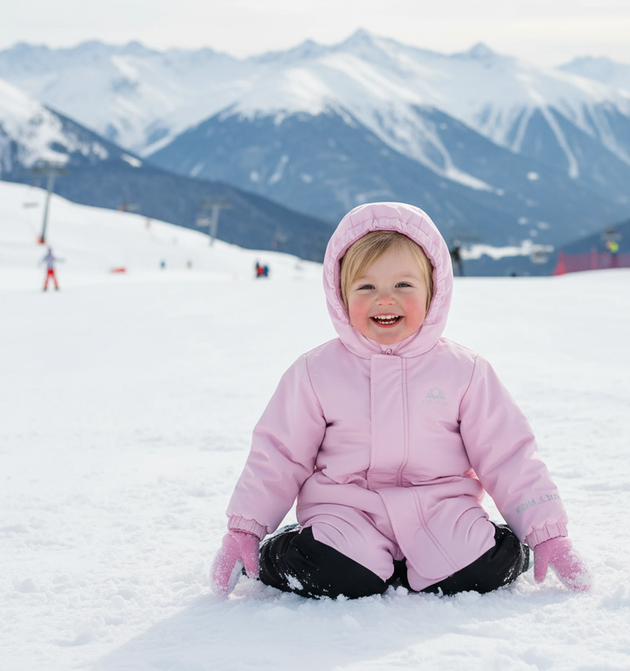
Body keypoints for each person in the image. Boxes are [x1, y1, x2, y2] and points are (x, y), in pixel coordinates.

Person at [210, 202, 590, 600]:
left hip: (441, 510)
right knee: (334, 573)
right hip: (345, 512)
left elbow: (507, 454)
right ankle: (288, 549)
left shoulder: (464, 371)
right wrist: (245, 529)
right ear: (341, 295)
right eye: (367, 287)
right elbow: (279, 453)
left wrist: (545, 533)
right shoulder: (315, 372)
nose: (385, 299)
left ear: (433, 291)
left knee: (483, 567)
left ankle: (507, 545)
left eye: (403, 286)